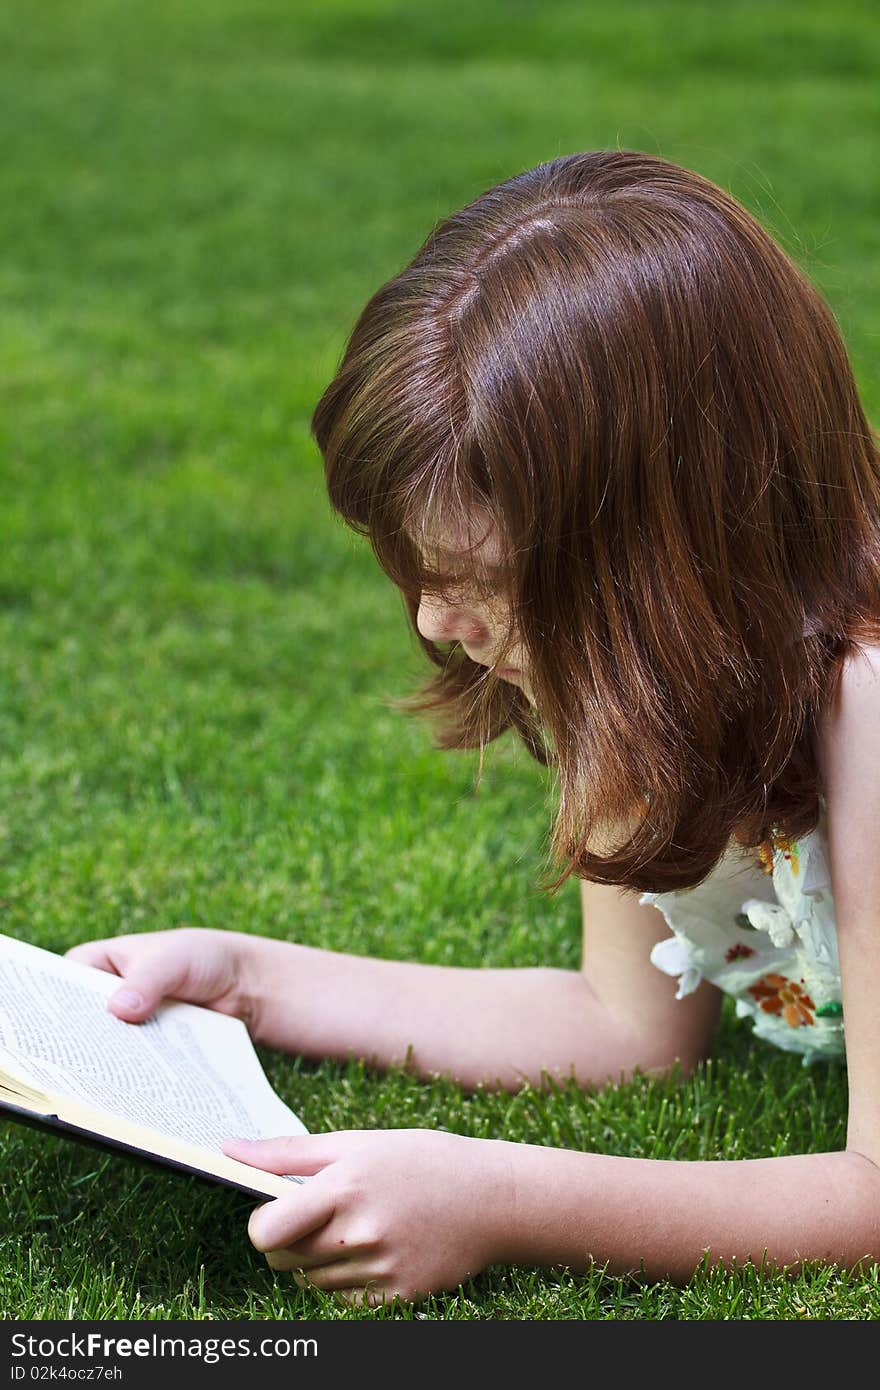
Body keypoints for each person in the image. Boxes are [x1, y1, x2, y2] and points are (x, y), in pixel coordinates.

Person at [68, 150, 880, 1305]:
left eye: (484, 579)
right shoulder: (659, 687)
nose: (434, 620)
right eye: (416, 567)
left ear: (670, 565)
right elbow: (625, 1024)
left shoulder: (868, 701)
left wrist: (497, 1199)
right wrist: (246, 978)